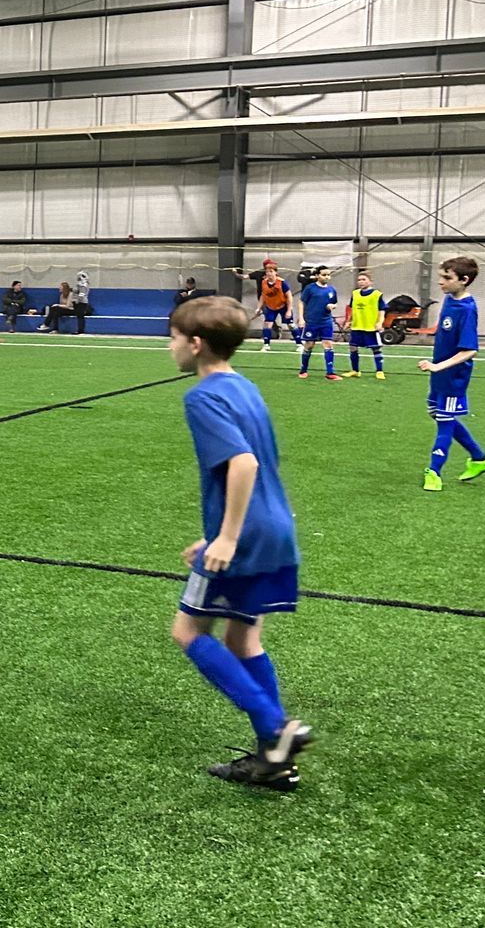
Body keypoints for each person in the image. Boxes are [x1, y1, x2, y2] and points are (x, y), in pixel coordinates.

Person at [165, 295, 314, 791]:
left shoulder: (202, 396)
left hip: (245, 536)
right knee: (243, 639)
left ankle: (276, 728)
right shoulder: (245, 386)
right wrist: (215, 532)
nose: (170, 348)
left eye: (173, 338)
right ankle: (274, 762)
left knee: (188, 633)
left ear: (195, 344)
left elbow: (244, 463)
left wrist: (226, 538)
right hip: (275, 526)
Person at [420, 256, 485, 491]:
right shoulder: (448, 299)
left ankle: (434, 472)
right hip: (440, 374)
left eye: (447, 278)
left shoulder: (468, 309)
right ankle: (480, 458)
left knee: (444, 422)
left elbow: (470, 350)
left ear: (464, 280)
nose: (441, 282)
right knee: (439, 415)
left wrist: (438, 366)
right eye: (441, 276)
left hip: (454, 377)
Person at [296, 266, 340, 381]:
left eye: (328, 275)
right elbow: (301, 302)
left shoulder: (331, 290)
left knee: (328, 344)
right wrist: (301, 318)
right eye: (324, 275)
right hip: (312, 322)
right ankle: (303, 370)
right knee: (309, 345)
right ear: (317, 276)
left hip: (326, 321)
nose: (327, 277)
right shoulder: (310, 288)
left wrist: (332, 306)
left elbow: (334, 303)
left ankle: (330, 372)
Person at [343, 269, 386, 380]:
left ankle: (379, 371)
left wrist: (380, 322)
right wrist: (348, 321)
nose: (361, 282)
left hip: (370, 327)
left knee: (376, 348)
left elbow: (382, 310)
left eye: (363, 279)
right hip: (357, 326)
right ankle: (355, 370)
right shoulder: (355, 294)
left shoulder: (377, 295)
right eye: (359, 280)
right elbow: (352, 309)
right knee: (353, 347)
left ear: (370, 281)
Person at [255, 261, 293, 353]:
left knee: (291, 325)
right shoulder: (264, 282)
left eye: (271, 271)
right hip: (271, 306)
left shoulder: (282, 282)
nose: (269, 274)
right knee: (267, 325)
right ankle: (266, 344)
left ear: (276, 272)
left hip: (283, 305)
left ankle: (299, 344)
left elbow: (289, 296)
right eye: (267, 272)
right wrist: (258, 308)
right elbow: (262, 296)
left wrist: (289, 310)